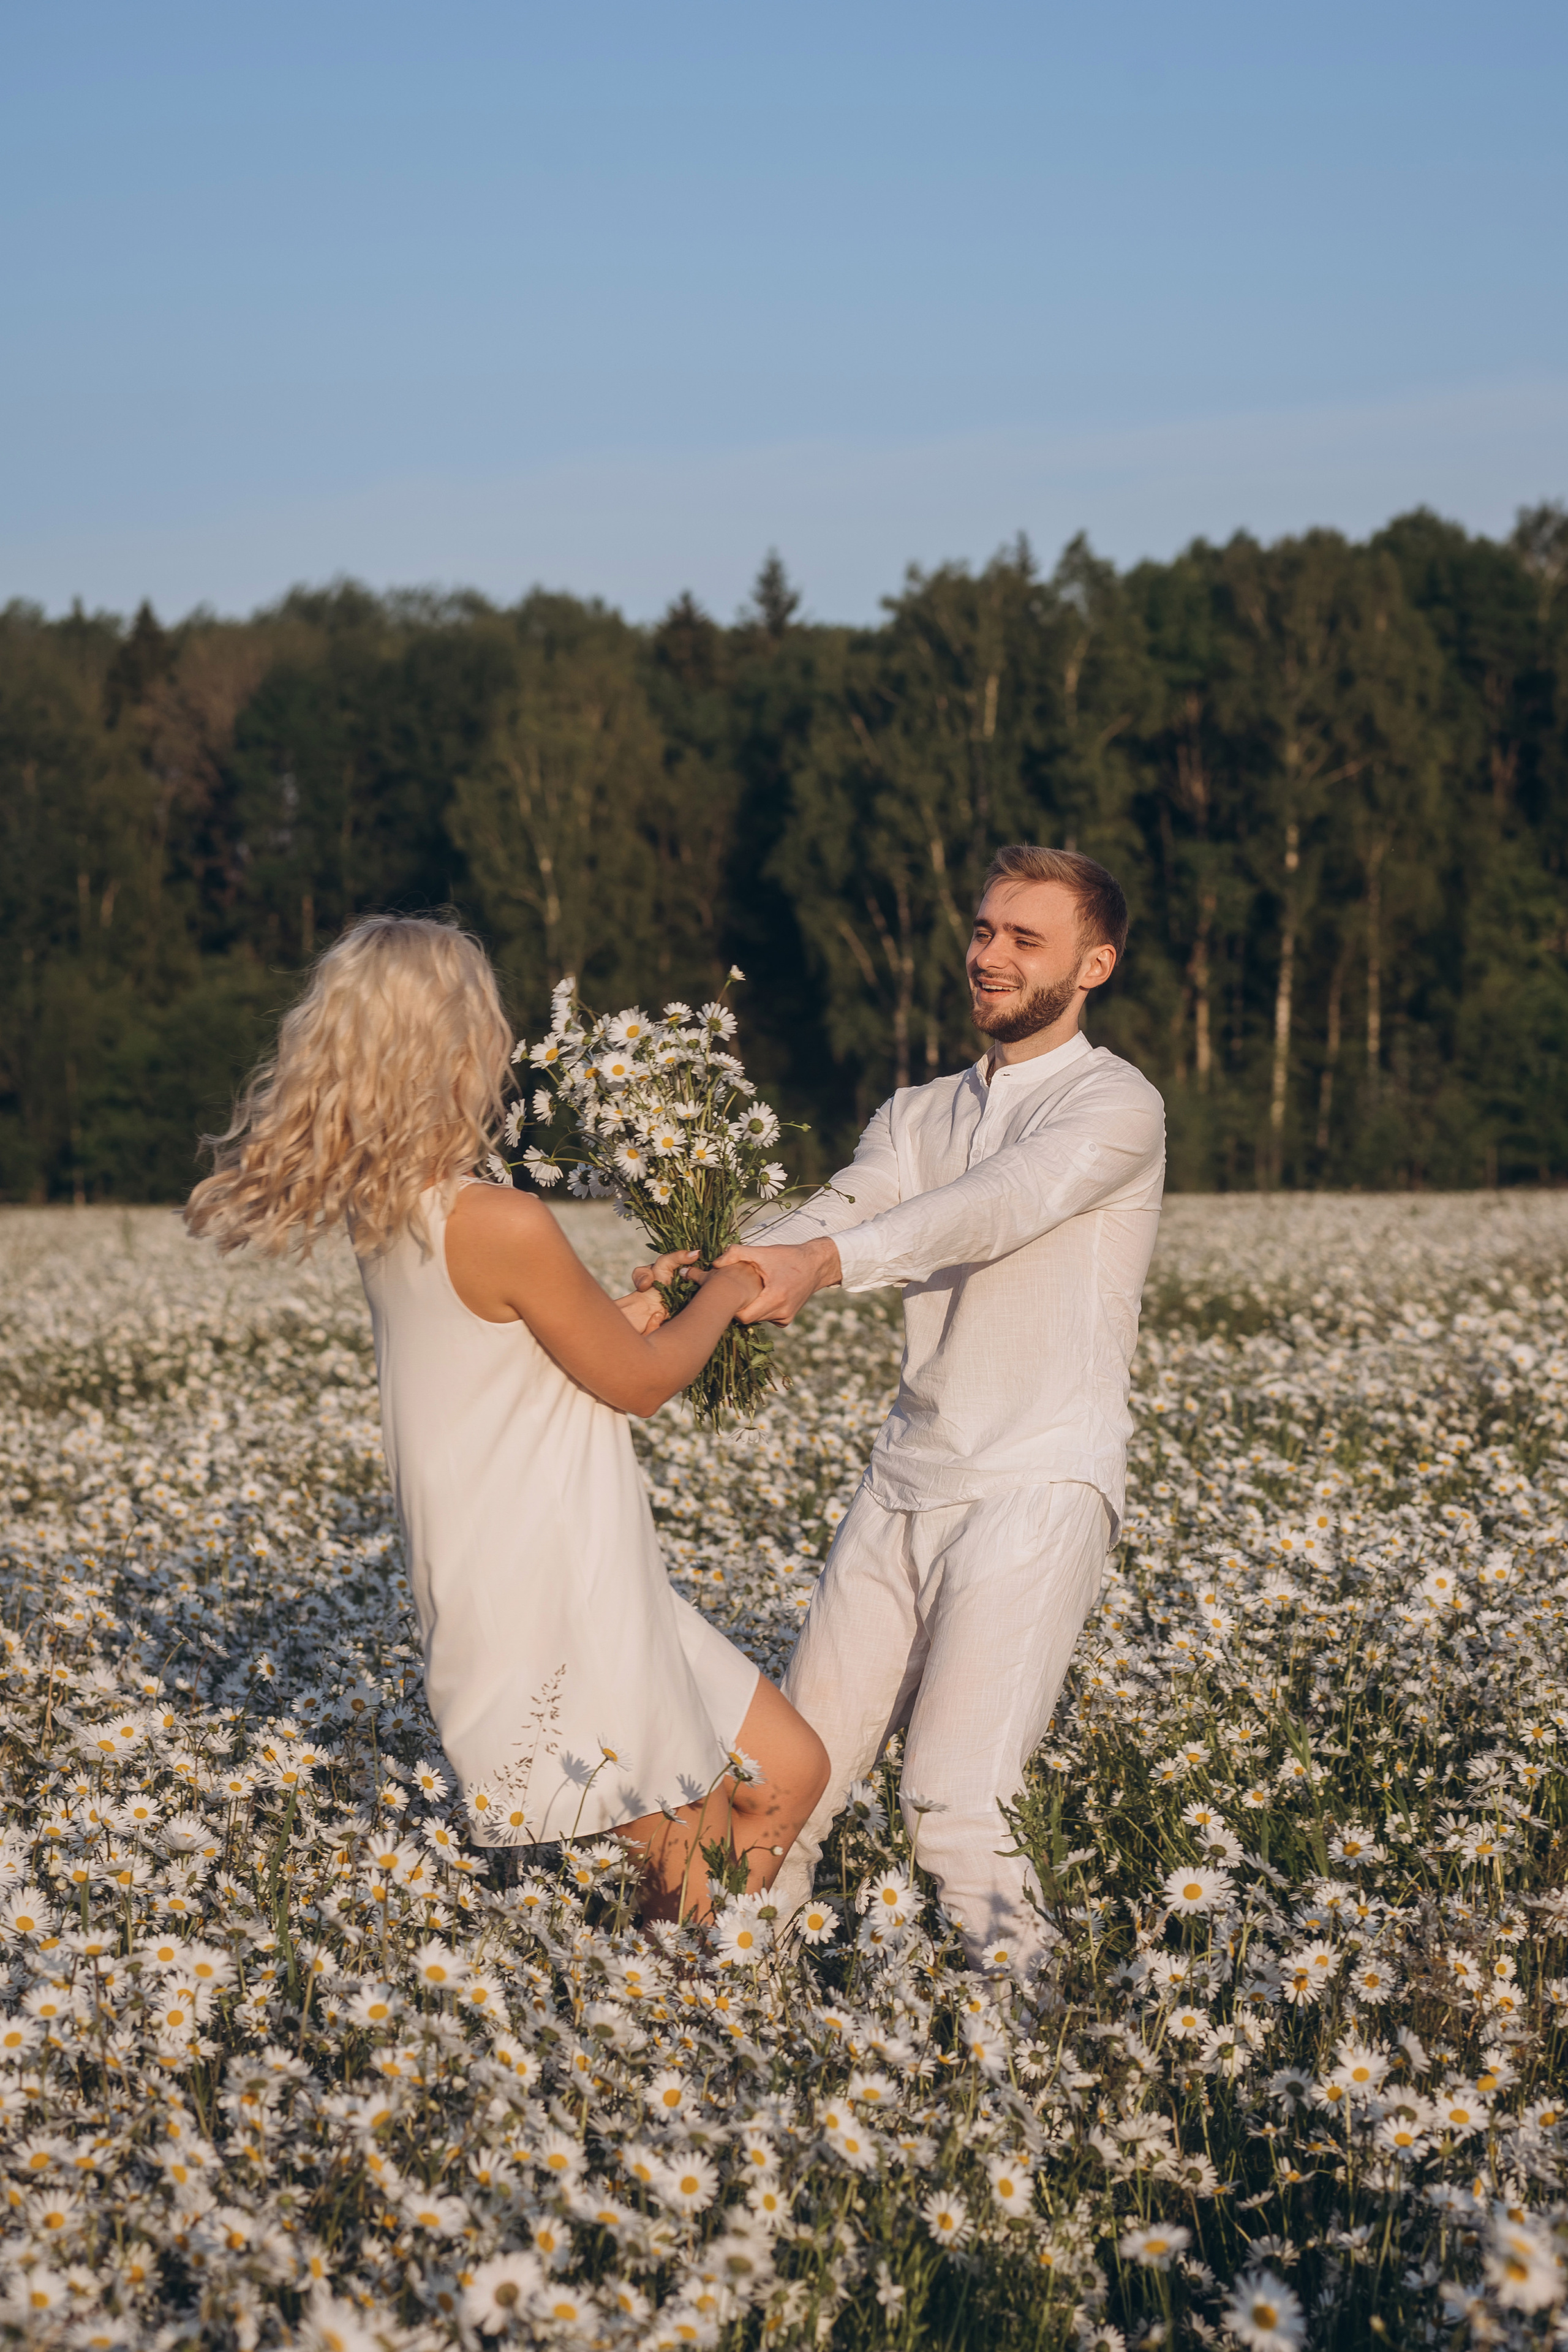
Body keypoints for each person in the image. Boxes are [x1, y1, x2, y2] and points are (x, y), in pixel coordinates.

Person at [185, 913, 827, 1923]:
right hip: (555, 1598)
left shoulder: (396, 1213)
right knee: (687, 1865)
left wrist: (662, 1299)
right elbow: (645, 1384)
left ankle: (682, 1974)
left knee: (788, 1768)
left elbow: (523, 1360)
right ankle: (677, 2012)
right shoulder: (498, 1220)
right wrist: (731, 1283)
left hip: (571, 1574)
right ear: (457, 1048)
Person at [643, 845, 1164, 1971]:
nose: (990, 956)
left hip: (1038, 1483)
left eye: (1026, 940)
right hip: (904, 1483)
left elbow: (995, 1207)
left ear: (1094, 965)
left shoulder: (1115, 1105)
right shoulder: (920, 1110)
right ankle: (730, 2025)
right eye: (983, 931)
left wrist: (822, 1265)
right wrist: (711, 1277)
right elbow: (848, 1202)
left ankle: (1023, 2064)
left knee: (956, 1805)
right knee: (782, 1785)